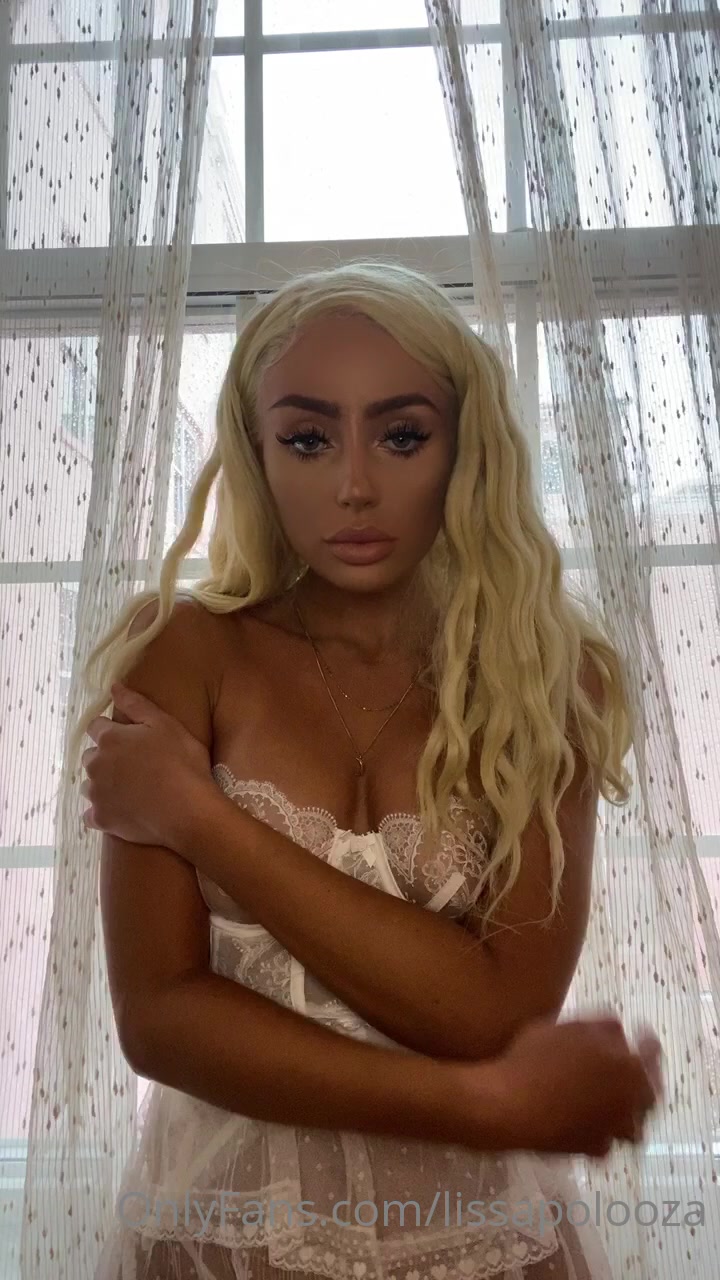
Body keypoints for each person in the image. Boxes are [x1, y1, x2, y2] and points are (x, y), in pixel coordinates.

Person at [75, 263, 662, 1280]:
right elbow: (160, 1019)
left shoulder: (546, 677)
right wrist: (483, 1104)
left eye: (401, 435)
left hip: (493, 1242)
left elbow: (494, 1010)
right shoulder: (183, 655)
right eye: (309, 439)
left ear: (464, 448)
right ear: (258, 453)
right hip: (224, 1242)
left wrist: (201, 820)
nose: (354, 484)